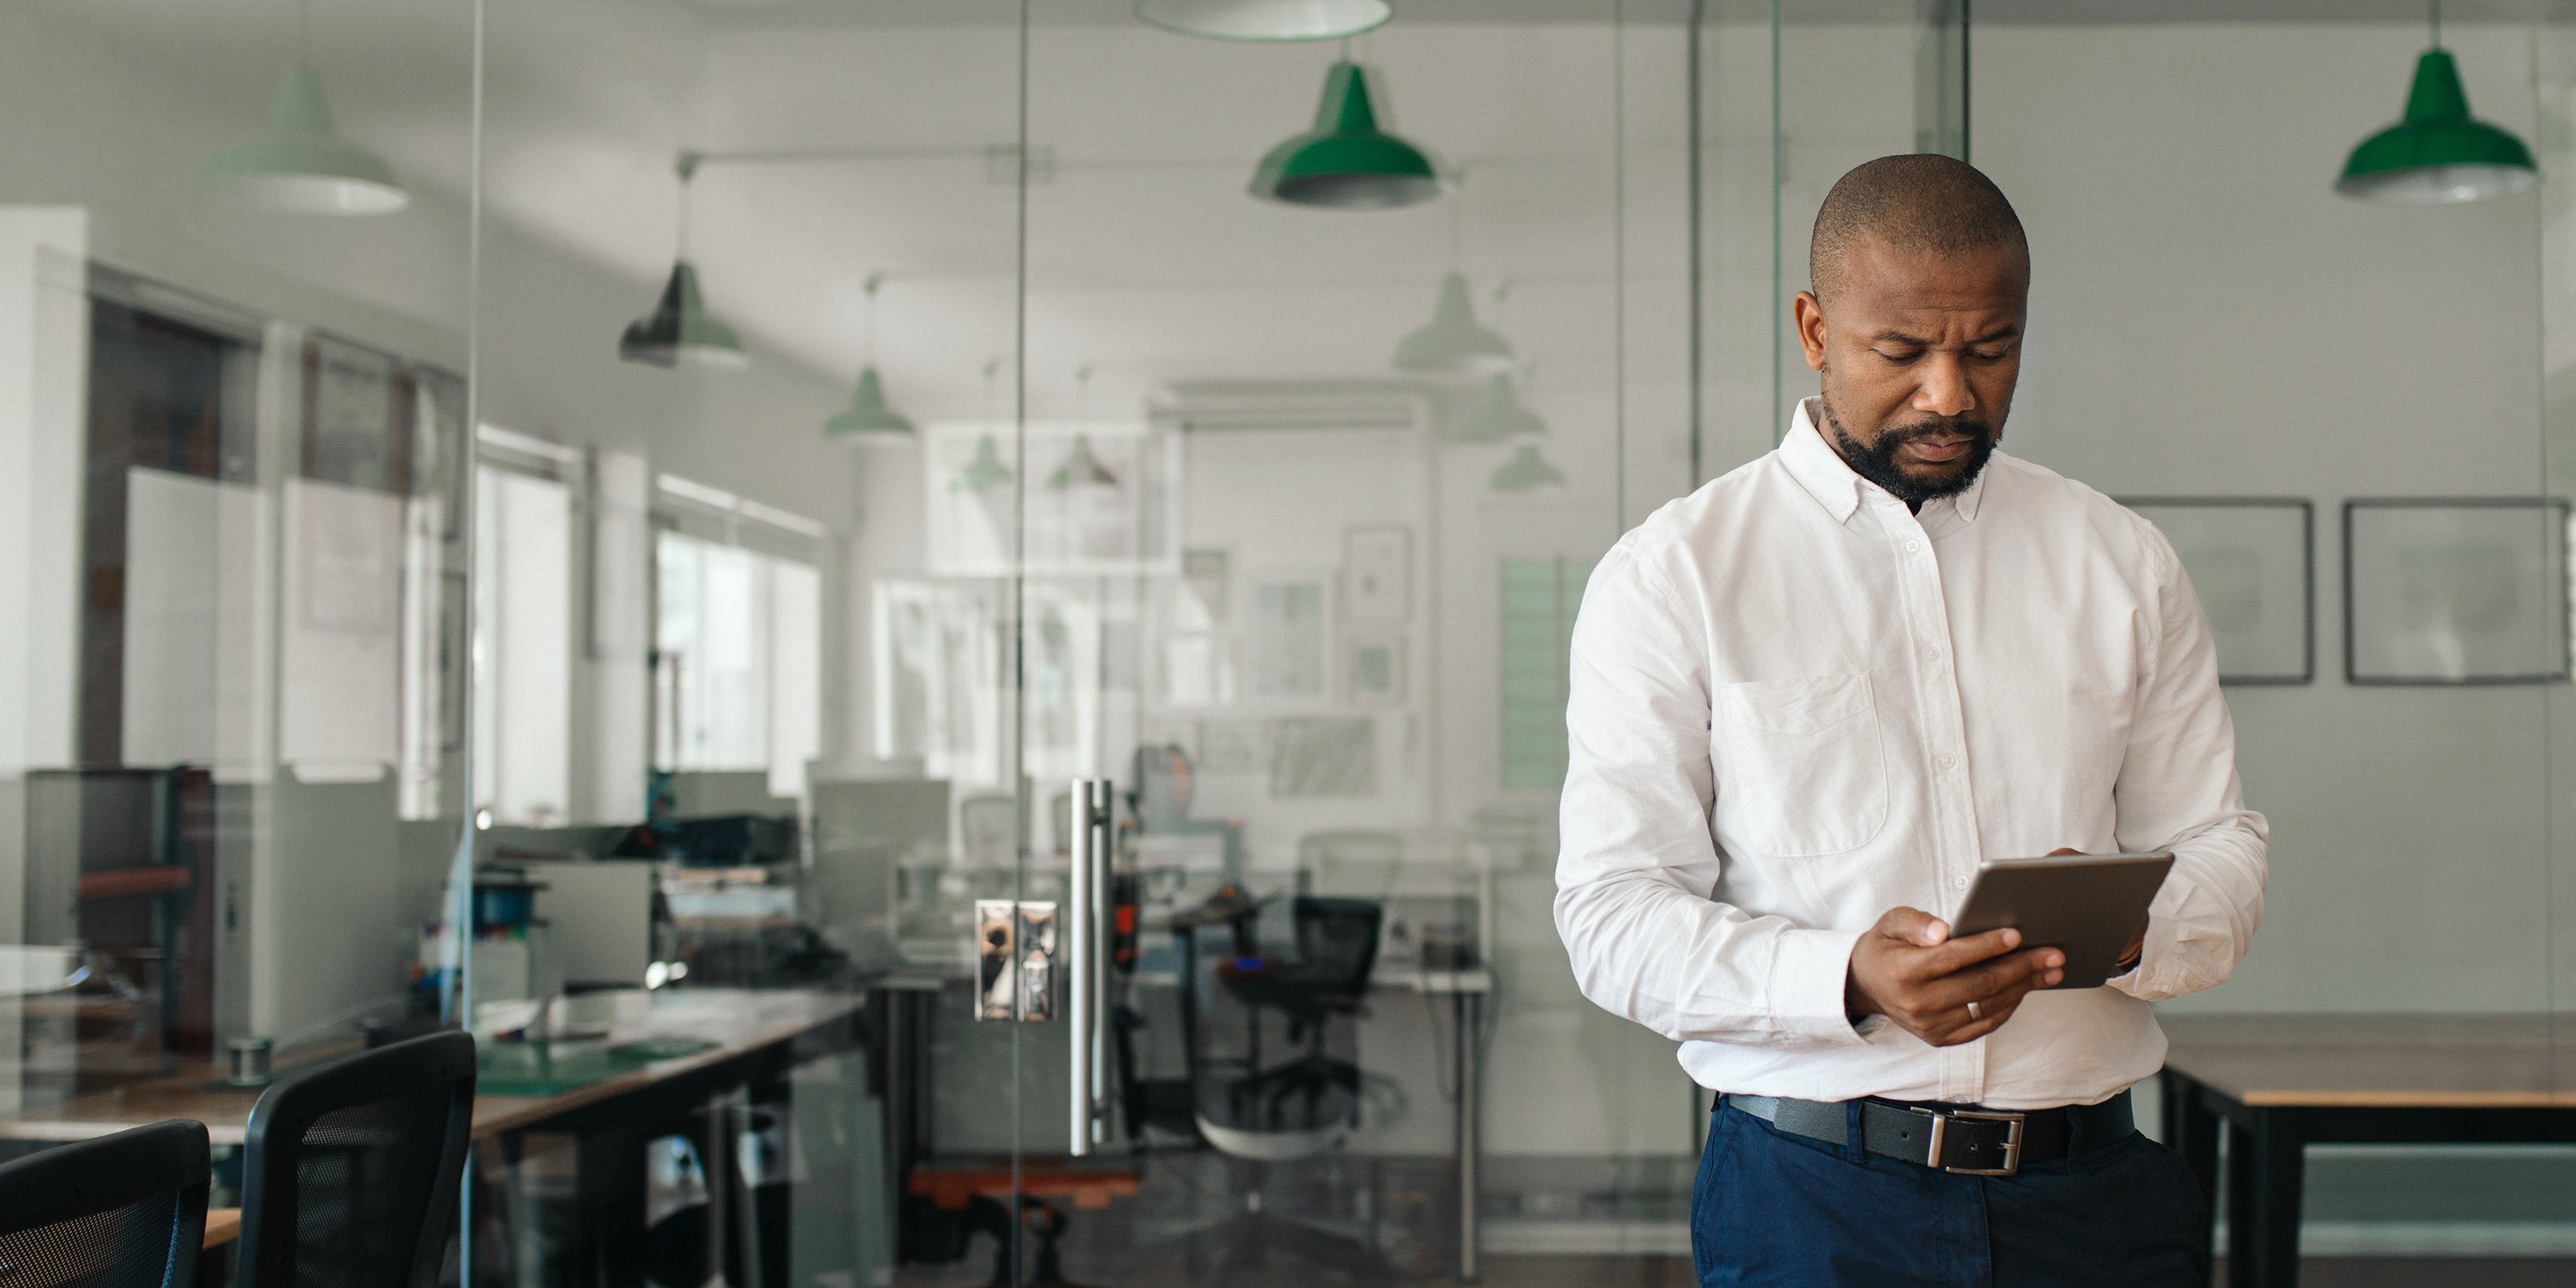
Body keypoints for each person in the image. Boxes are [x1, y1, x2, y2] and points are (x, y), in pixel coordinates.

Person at [1553, 154, 2267, 1285]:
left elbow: (2221, 842)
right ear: (1814, 328)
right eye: (1903, 352)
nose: (1950, 393)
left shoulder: (2119, 560)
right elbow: (1611, 916)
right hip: (1811, 1203)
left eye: (1991, 350)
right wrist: (1842, 976)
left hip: (2098, 1204)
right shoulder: (1675, 575)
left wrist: (2129, 930)